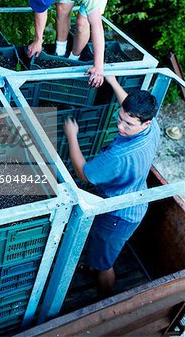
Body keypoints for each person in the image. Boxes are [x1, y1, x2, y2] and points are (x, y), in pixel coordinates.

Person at [64, 76, 160, 297]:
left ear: (144, 122)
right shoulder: (150, 127)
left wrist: (72, 137)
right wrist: (113, 81)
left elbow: (84, 173)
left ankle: (105, 300)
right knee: (100, 253)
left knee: (105, 264)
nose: (120, 127)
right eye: (120, 119)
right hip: (134, 200)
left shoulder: (120, 156)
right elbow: (127, 104)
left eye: (128, 125)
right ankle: (94, 264)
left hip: (118, 216)